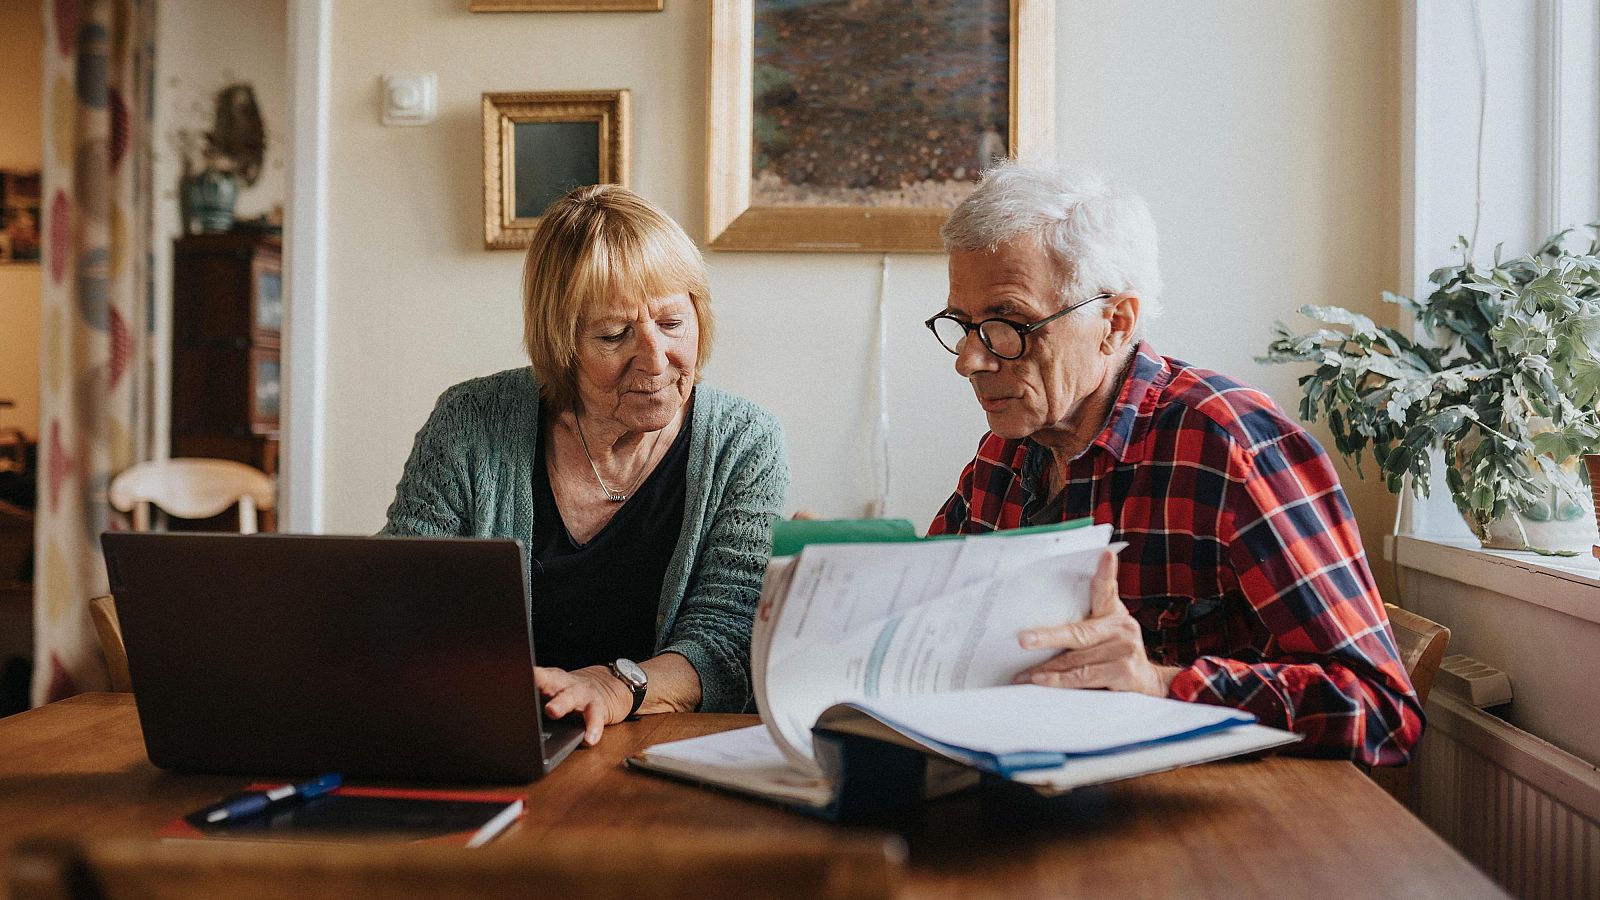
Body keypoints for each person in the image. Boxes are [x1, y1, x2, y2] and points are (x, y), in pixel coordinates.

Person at [923, 160, 1422, 766]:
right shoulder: (1006, 452)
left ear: (1115, 322)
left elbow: (1380, 709)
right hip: (1046, 789)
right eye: (964, 326)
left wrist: (1160, 684)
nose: (970, 361)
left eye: (1008, 325)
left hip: (1217, 823)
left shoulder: (1231, 447)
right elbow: (931, 621)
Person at [384, 184, 789, 746]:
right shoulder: (470, 421)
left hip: (670, 748)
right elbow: (399, 597)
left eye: (672, 323)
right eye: (613, 334)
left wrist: (617, 686)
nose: (654, 358)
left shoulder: (743, 442)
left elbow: (727, 637)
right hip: (496, 737)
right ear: (559, 345)